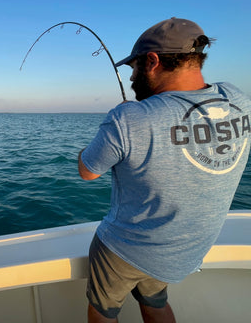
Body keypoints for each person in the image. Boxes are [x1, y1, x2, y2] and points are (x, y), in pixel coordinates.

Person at [78, 17, 251, 323]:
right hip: (185, 251)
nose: (132, 78)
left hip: (126, 250)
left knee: (103, 310)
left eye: (134, 68)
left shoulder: (128, 118)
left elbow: (88, 171)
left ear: (153, 61)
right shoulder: (238, 101)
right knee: (155, 303)